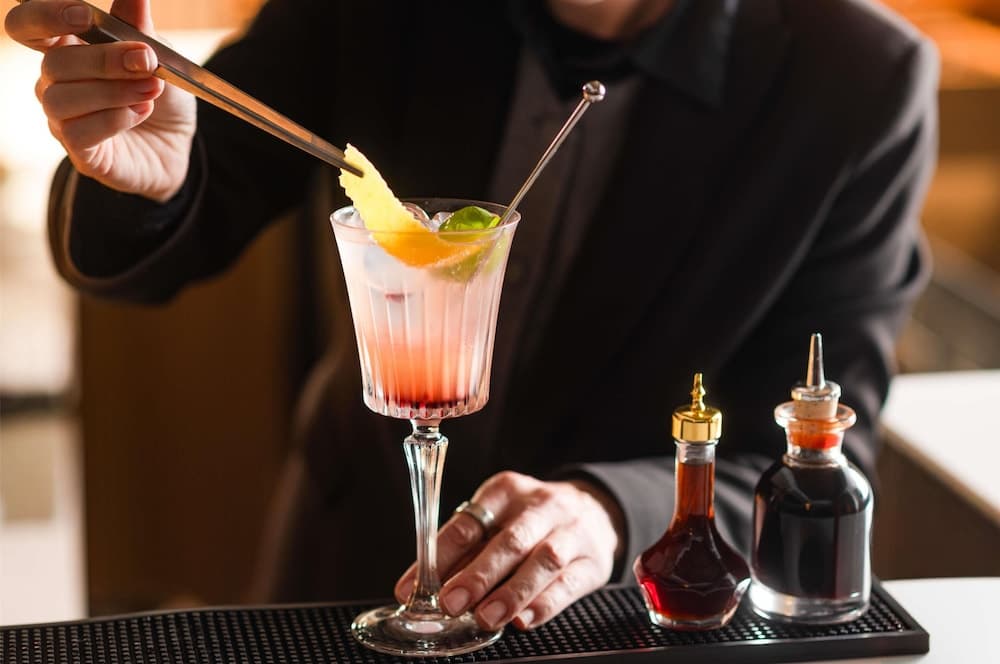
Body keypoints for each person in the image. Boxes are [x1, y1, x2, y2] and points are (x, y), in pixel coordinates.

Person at [5, 0, 937, 633]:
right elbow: (188, 197)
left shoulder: (859, 80)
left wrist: (609, 512)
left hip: (621, 622)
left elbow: (813, 455)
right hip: (348, 579)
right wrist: (147, 181)